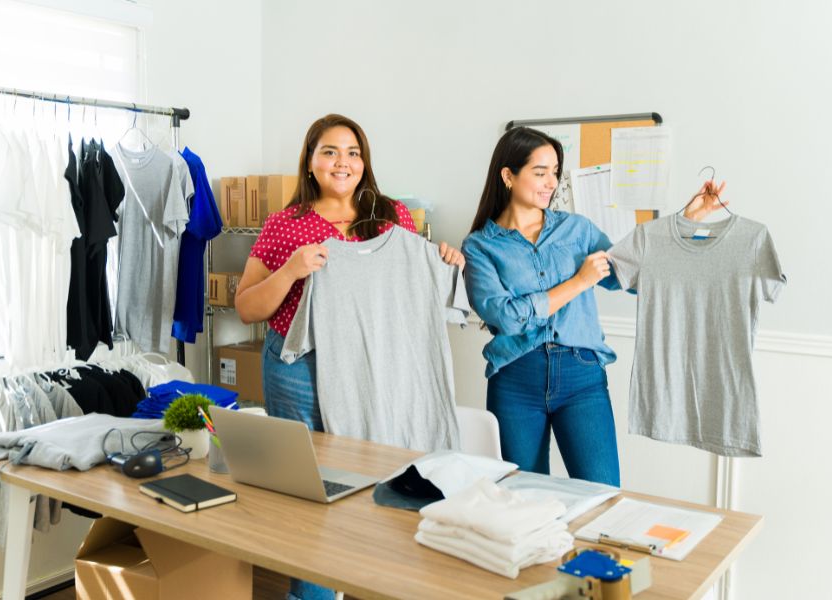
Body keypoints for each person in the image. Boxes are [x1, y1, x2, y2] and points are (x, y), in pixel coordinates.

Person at [234, 114, 463, 600]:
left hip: (373, 363)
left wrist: (444, 263)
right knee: (314, 494)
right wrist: (293, 270)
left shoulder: (392, 217)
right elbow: (247, 305)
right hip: (298, 367)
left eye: (353, 152)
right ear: (311, 163)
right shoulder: (286, 225)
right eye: (330, 152)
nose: (343, 162)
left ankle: (370, 580)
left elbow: (414, 286)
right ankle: (310, 593)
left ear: (365, 162)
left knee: (375, 476)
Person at [461, 126, 726, 486]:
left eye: (554, 172)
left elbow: (629, 276)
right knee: (523, 500)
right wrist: (578, 282)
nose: (550, 182)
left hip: (581, 377)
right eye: (540, 173)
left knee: (603, 494)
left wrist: (687, 221)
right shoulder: (480, 247)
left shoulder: (577, 230)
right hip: (515, 382)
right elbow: (506, 317)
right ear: (508, 175)